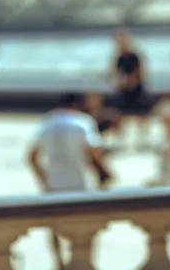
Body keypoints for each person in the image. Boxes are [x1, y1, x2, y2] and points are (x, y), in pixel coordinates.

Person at [27, 94, 112, 270]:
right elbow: (94, 152)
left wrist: (44, 178)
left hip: (54, 182)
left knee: (53, 226)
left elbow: (31, 157)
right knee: (86, 227)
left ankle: (58, 262)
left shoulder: (47, 122)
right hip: (80, 183)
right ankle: (84, 261)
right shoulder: (83, 122)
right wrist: (105, 173)